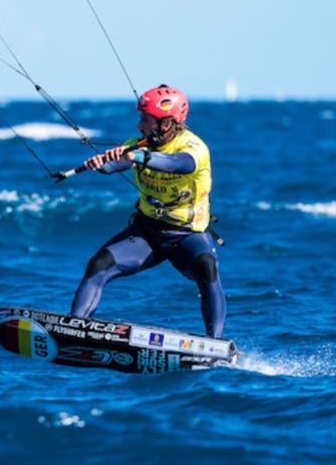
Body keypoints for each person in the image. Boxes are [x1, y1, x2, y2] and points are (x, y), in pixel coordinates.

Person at [69, 84, 226, 338]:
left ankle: (215, 344)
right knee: (98, 264)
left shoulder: (194, 148)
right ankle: (73, 329)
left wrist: (138, 157)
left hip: (186, 236)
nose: (139, 126)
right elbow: (112, 167)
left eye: (145, 119)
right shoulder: (137, 145)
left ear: (166, 123)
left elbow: (178, 165)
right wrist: (101, 164)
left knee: (207, 267)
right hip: (147, 233)